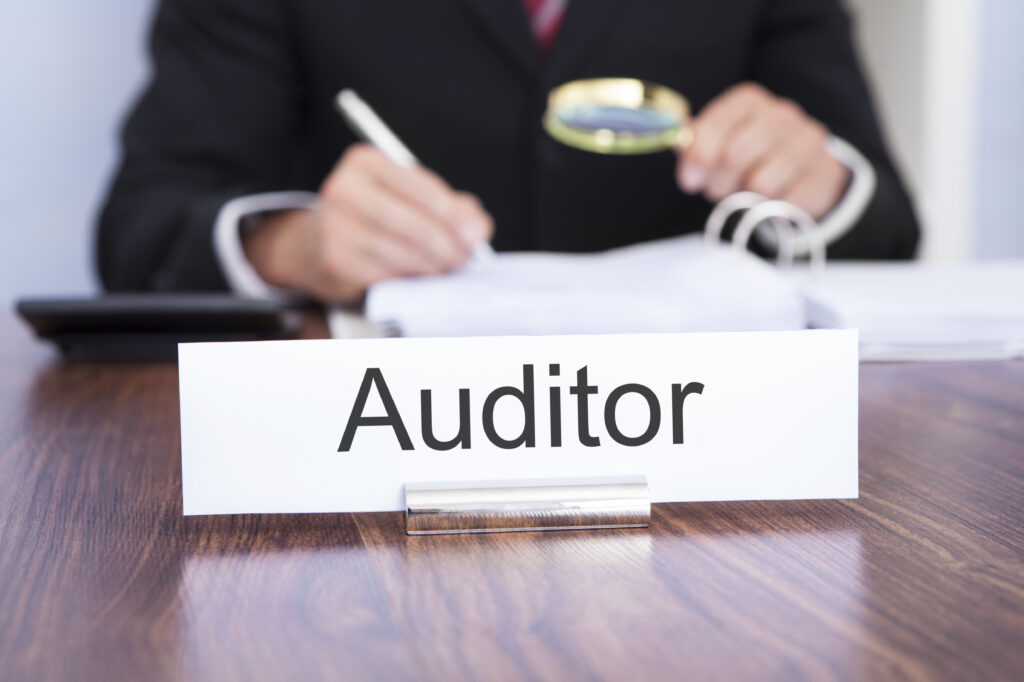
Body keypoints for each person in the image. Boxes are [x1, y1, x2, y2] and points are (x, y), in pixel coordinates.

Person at [96, 0, 920, 303]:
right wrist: (290, 246)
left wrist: (817, 185)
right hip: (374, 447)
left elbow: (887, 228)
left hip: (699, 447)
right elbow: (142, 224)